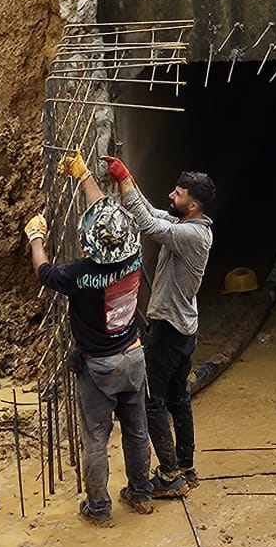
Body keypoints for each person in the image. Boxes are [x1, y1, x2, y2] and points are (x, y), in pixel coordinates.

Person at [25, 151, 153, 524]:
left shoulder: (80, 273)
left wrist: (36, 239)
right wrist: (85, 179)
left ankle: (98, 506)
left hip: (98, 367)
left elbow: (45, 273)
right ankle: (141, 493)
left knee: (96, 437)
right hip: (132, 355)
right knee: (136, 429)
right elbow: (109, 223)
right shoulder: (133, 257)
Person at [106, 156, 215, 499]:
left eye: (178, 193)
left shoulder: (192, 235)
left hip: (169, 329)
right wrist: (131, 184)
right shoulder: (188, 224)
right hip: (183, 327)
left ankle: (169, 474)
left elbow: (148, 226)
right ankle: (186, 466)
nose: (172, 195)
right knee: (179, 398)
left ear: (193, 204)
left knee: (153, 399)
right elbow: (153, 213)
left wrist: (123, 180)